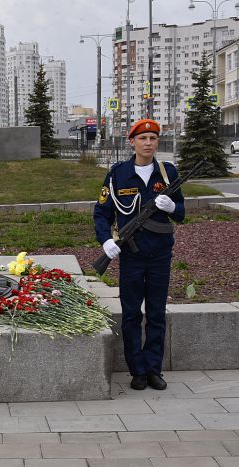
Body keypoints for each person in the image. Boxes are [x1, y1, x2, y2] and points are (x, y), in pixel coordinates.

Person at [93, 118, 185, 391]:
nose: (148, 143)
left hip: (159, 255)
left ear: (158, 142)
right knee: (131, 313)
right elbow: (101, 213)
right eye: (142, 139)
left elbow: (181, 213)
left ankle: (153, 369)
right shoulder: (118, 174)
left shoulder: (167, 173)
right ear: (131, 142)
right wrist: (106, 240)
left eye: (153, 139)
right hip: (131, 256)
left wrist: (171, 207)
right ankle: (137, 370)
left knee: (156, 313)